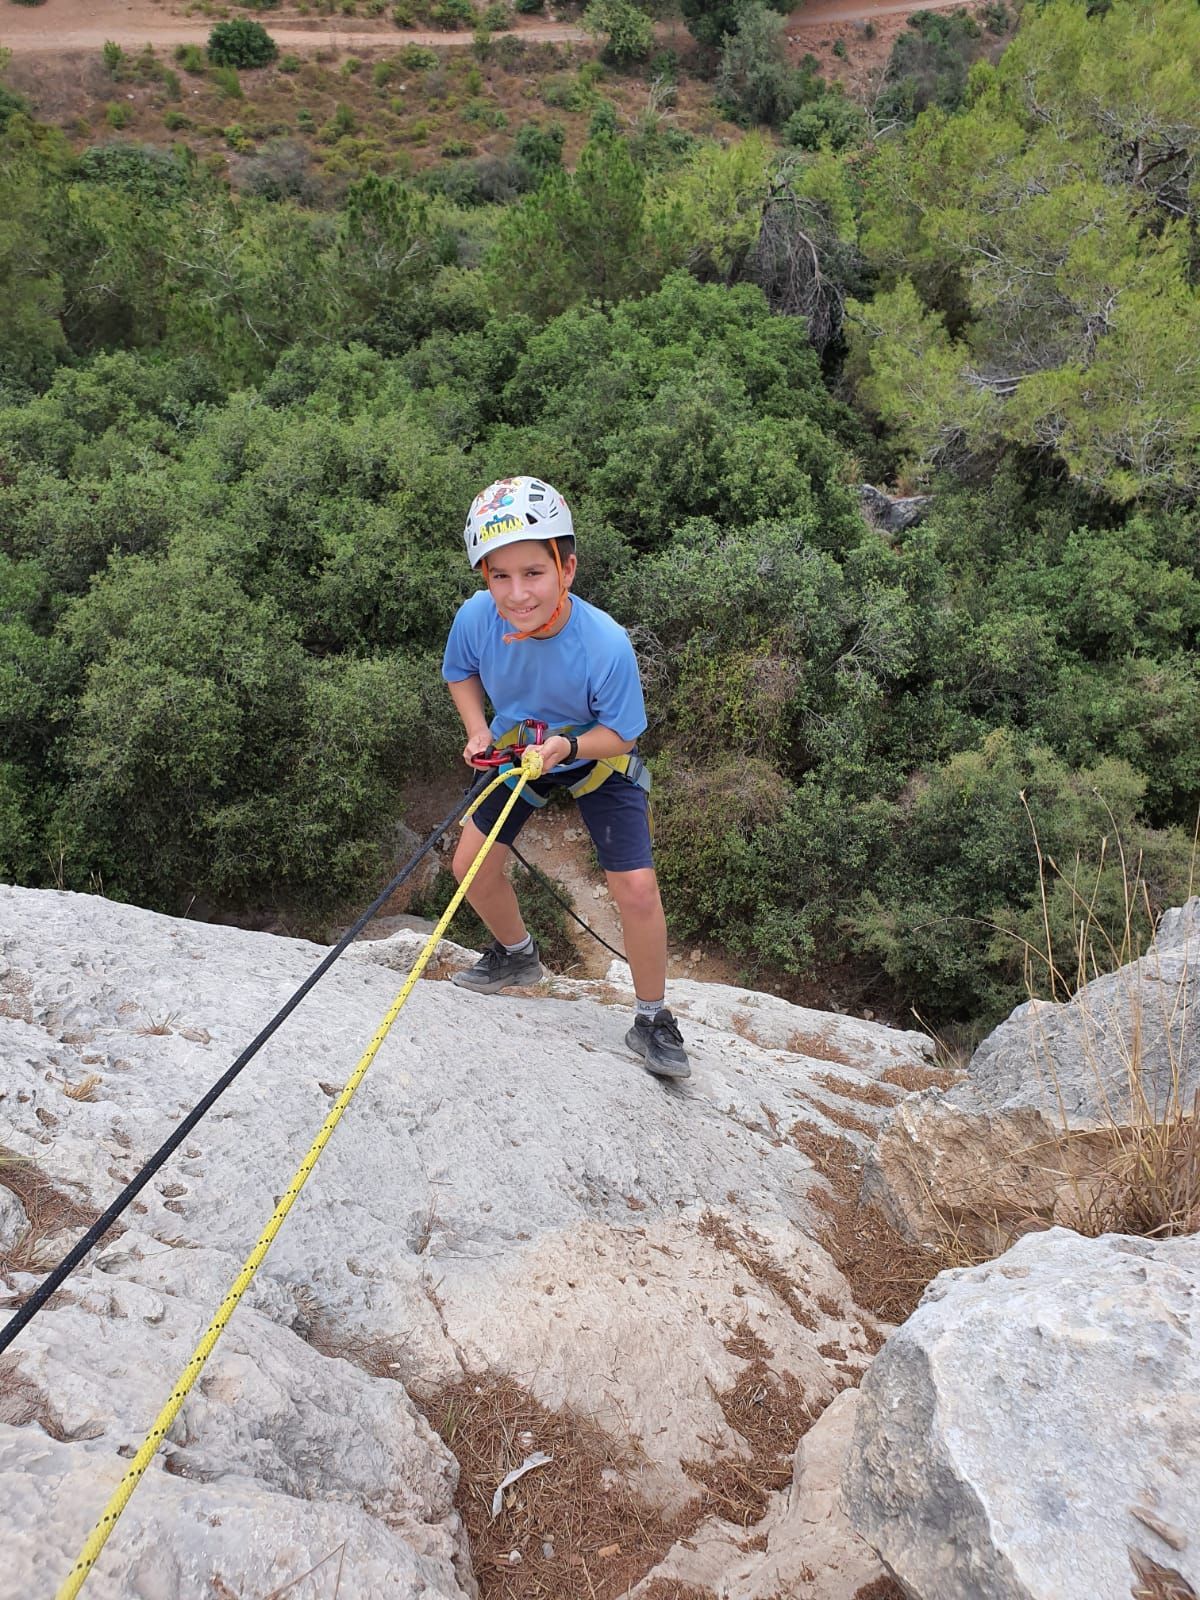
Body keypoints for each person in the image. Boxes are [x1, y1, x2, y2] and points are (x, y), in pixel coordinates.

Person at [441, 475, 690, 1080]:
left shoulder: (604, 643)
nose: (517, 593)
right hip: (520, 751)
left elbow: (623, 733)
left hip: (594, 756)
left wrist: (568, 745)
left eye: (534, 573)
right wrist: (477, 728)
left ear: (566, 569)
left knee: (635, 889)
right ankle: (518, 956)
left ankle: (654, 1019)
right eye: (500, 576)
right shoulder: (476, 617)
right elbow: (461, 673)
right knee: (469, 866)